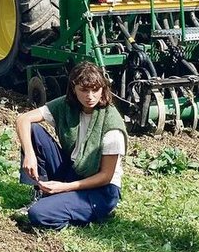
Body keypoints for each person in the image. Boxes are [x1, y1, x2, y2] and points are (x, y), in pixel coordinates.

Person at [14, 62, 127, 230]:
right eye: (84, 90)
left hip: (101, 189)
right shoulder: (67, 106)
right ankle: (41, 192)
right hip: (72, 170)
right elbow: (23, 119)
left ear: (103, 89)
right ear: (74, 88)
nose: (90, 96)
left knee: (38, 214)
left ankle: (86, 211)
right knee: (33, 130)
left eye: (95, 90)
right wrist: (30, 154)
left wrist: (64, 187)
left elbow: (106, 176)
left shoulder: (111, 127)